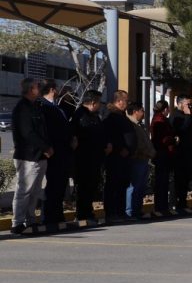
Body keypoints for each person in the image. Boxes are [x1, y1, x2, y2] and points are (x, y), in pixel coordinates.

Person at [11, 78, 51, 234]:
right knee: (24, 190)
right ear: (30, 90)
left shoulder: (36, 106)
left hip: (40, 156)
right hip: (28, 156)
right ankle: (17, 222)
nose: (39, 88)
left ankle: (30, 220)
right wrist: (45, 147)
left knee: (35, 191)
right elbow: (28, 133)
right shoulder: (22, 108)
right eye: (37, 86)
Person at [38, 78, 75, 225]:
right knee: (53, 185)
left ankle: (58, 216)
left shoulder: (57, 106)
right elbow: (46, 130)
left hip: (64, 151)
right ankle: (49, 217)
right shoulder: (43, 106)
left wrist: (71, 138)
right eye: (58, 88)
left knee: (60, 185)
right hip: (53, 152)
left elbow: (65, 124)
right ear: (53, 89)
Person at [71, 90, 109, 221]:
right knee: (84, 187)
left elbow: (100, 133)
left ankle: (88, 212)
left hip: (94, 158)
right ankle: (83, 214)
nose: (100, 105)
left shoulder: (94, 116)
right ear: (93, 103)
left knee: (91, 187)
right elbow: (86, 137)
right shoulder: (81, 116)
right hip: (84, 159)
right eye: (99, 102)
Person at [103, 90, 135, 223]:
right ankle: (111, 213)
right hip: (116, 157)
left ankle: (121, 212)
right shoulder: (111, 116)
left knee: (122, 185)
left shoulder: (122, 115)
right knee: (113, 185)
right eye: (126, 101)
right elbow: (109, 136)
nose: (128, 103)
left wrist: (129, 149)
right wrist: (120, 148)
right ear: (119, 101)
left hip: (125, 157)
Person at [170, 96, 192, 213]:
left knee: (187, 177)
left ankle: (182, 202)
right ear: (180, 104)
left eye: (191, 104)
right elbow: (181, 130)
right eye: (188, 104)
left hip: (190, 151)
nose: (190, 106)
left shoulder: (191, 115)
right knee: (179, 178)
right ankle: (175, 202)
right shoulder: (175, 115)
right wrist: (188, 115)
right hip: (180, 152)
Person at [125, 102, 156, 221]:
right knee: (133, 187)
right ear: (135, 112)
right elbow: (136, 143)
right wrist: (146, 152)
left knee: (140, 187)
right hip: (137, 159)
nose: (144, 113)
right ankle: (130, 211)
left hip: (144, 159)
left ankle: (137, 210)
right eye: (142, 110)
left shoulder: (139, 125)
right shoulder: (131, 125)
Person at [150, 100, 176, 215]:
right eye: (168, 108)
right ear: (165, 109)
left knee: (163, 181)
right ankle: (161, 206)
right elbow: (163, 139)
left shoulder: (157, 119)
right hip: (163, 154)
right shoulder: (160, 120)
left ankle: (162, 206)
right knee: (162, 181)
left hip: (161, 153)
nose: (169, 111)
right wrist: (173, 139)